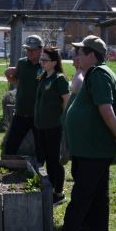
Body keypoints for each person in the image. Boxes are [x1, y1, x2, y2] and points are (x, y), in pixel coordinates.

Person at [35, 35, 116, 231]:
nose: (76, 56)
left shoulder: (99, 74)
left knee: (79, 201)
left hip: (95, 150)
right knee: (99, 199)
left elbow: (106, 109)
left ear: (92, 55)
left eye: (80, 52)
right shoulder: (94, 73)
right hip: (91, 149)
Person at [34, 47, 70, 204]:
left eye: (45, 60)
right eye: (41, 59)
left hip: (54, 127)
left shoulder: (59, 79)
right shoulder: (43, 77)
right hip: (40, 126)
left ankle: (59, 193)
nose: (41, 62)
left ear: (54, 62)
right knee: (44, 158)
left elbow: (66, 102)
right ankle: (49, 189)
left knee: (54, 160)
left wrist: (63, 121)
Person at [3, 35, 44, 166]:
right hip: (20, 112)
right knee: (10, 146)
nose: (29, 52)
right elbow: (15, 79)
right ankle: (7, 168)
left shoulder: (45, 65)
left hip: (38, 115)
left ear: (40, 50)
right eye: (27, 49)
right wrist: (11, 77)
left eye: (32, 50)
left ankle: (40, 175)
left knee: (41, 148)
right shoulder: (22, 63)